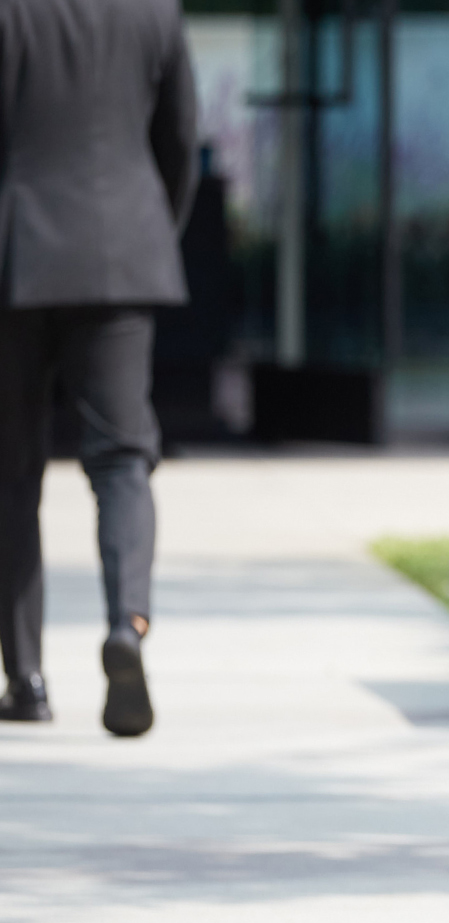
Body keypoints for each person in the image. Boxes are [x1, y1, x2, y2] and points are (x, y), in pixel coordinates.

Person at [0, 0, 198, 737]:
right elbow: (179, 136)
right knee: (121, 460)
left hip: (14, 260)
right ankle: (126, 624)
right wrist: (146, 227)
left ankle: (25, 677)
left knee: (12, 473)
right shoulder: (153, 11)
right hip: (120, 253)